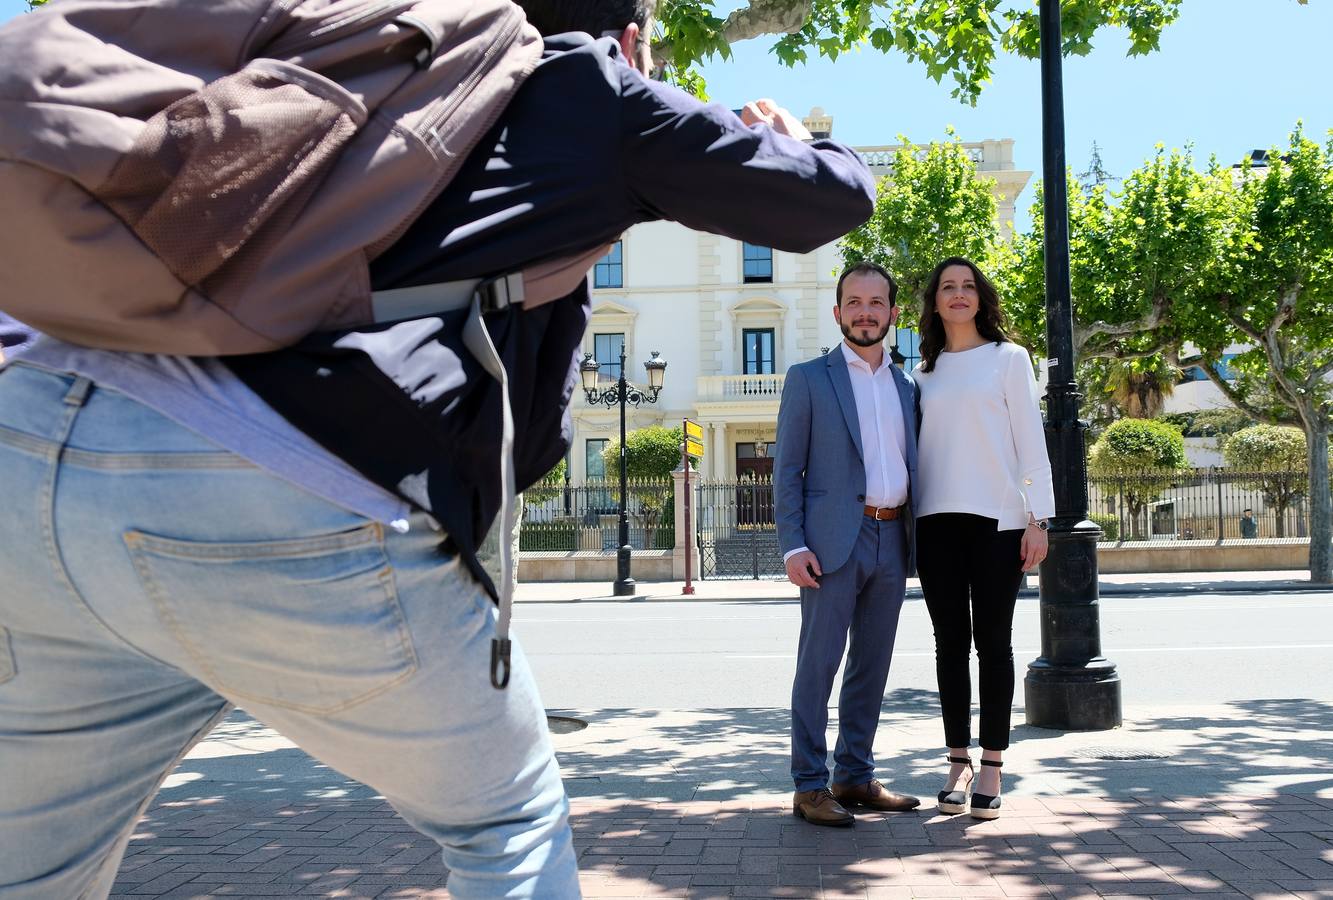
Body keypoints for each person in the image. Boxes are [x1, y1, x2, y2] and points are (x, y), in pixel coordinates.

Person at [0, 0, 877, 896]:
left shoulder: (371, 54)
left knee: (30, 867)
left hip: (31, 443)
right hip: (283, 477)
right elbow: (825, 202)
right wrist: (799, 139)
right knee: (507, 823)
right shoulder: (587, 83)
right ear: (633, 38)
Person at [774, 261, 921, 827]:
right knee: (819, 665)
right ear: (838, 313)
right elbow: (787, 470)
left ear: (892, 313)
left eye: (876, 302)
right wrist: (792, 546)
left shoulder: (907, 385)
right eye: (854, 303)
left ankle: (854, 775)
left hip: (893, 535)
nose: (865, 312)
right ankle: (809, 785)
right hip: (833, 542)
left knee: (872, 664)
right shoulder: (809, 378)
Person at [911, 256, 1054, 821]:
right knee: (950, 646)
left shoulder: (1009, 359)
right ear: (935, 302)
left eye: (968, 286)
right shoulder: (921, 372)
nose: (958, 294)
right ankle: (957, 760)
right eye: (947, 287)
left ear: (981, 297)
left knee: (994, 643)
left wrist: (1039, 519)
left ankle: (993, 764)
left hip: (999, 522)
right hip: (934, 523)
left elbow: (1030, 442)